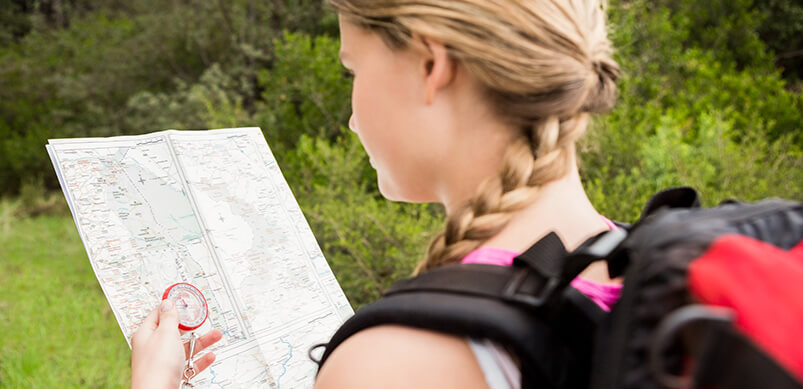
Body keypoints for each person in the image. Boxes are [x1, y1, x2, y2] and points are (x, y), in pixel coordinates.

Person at [130, 0, 623, 387]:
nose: (350, 116)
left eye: (353, 69)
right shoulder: (643, 270)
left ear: (432, 64)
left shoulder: (391, 364)